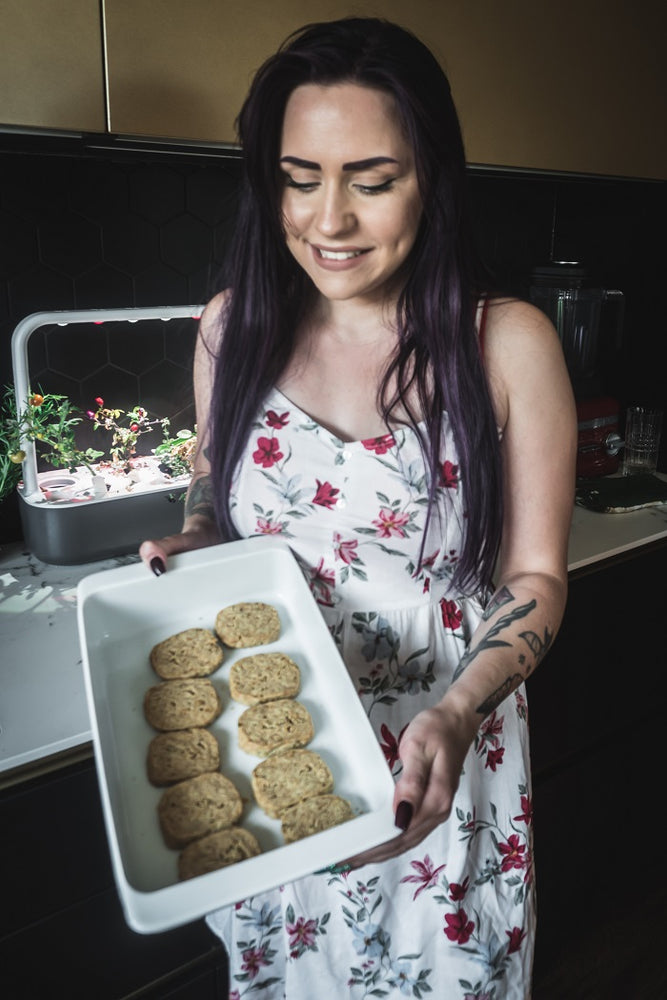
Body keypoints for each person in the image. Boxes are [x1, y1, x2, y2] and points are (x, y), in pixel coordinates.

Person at [140, 16, 576, 999]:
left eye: (370, 180)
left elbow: (538, 576)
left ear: (432, 178)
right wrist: (200, 532)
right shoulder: (231, 328)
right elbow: (220, 481)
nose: (327, 219)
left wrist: (459, 711)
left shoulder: (503, 343)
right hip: (272, 742)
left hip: (442, 748)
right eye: (301, 177)